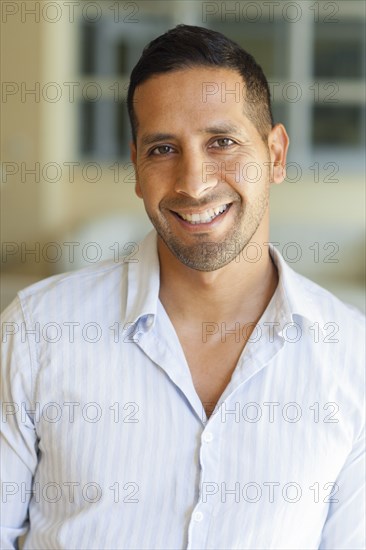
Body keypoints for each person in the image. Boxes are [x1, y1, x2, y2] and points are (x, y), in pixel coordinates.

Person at [1, 24, 364, 550]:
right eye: (163, 148)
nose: (194, 183)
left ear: (276, 155)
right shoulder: (37, 331)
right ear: (136, 168)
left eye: (222, 141)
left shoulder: (354, 358)